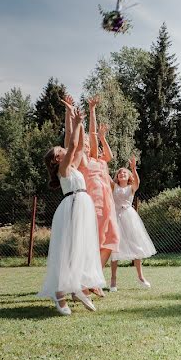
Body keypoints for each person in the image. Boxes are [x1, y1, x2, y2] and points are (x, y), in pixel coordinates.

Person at [38, 99, 103, 315]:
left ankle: (78, 288)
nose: (64, 149)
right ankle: (59, 294)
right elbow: (73, 144)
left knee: (81, 247)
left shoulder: (73, 166)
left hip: (83, 204)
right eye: (60, 150)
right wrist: (75, 124)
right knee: (67, 249)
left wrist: (77, 121)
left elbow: (76, 145)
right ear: (57, 159)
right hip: (73, 205)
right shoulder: (63, 169)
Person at [80, 96, 120, 278]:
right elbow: (90, 133)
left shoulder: (99, 159)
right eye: (85, 144)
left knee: (112, 240)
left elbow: (96, 136)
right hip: (91, 206)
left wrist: (93, 110)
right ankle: (86, 280)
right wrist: (91, 111)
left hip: (107, 205)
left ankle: (95, 276)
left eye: (90, 143)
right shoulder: (82, 162)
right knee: (92, 242)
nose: (89, 145)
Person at [109, 157, 157, 291]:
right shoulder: (114, 186)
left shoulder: (131, 188)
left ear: (128, 176)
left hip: (130, 218)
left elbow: (137, 181)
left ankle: (141, 277)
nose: (122, 174)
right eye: (120, 173)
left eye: (125, 172)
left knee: (136, 246)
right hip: (116, 218)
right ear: (117, 177)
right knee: (115, 248)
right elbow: (105, 175)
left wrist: (133, 168)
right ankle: (113, 280)